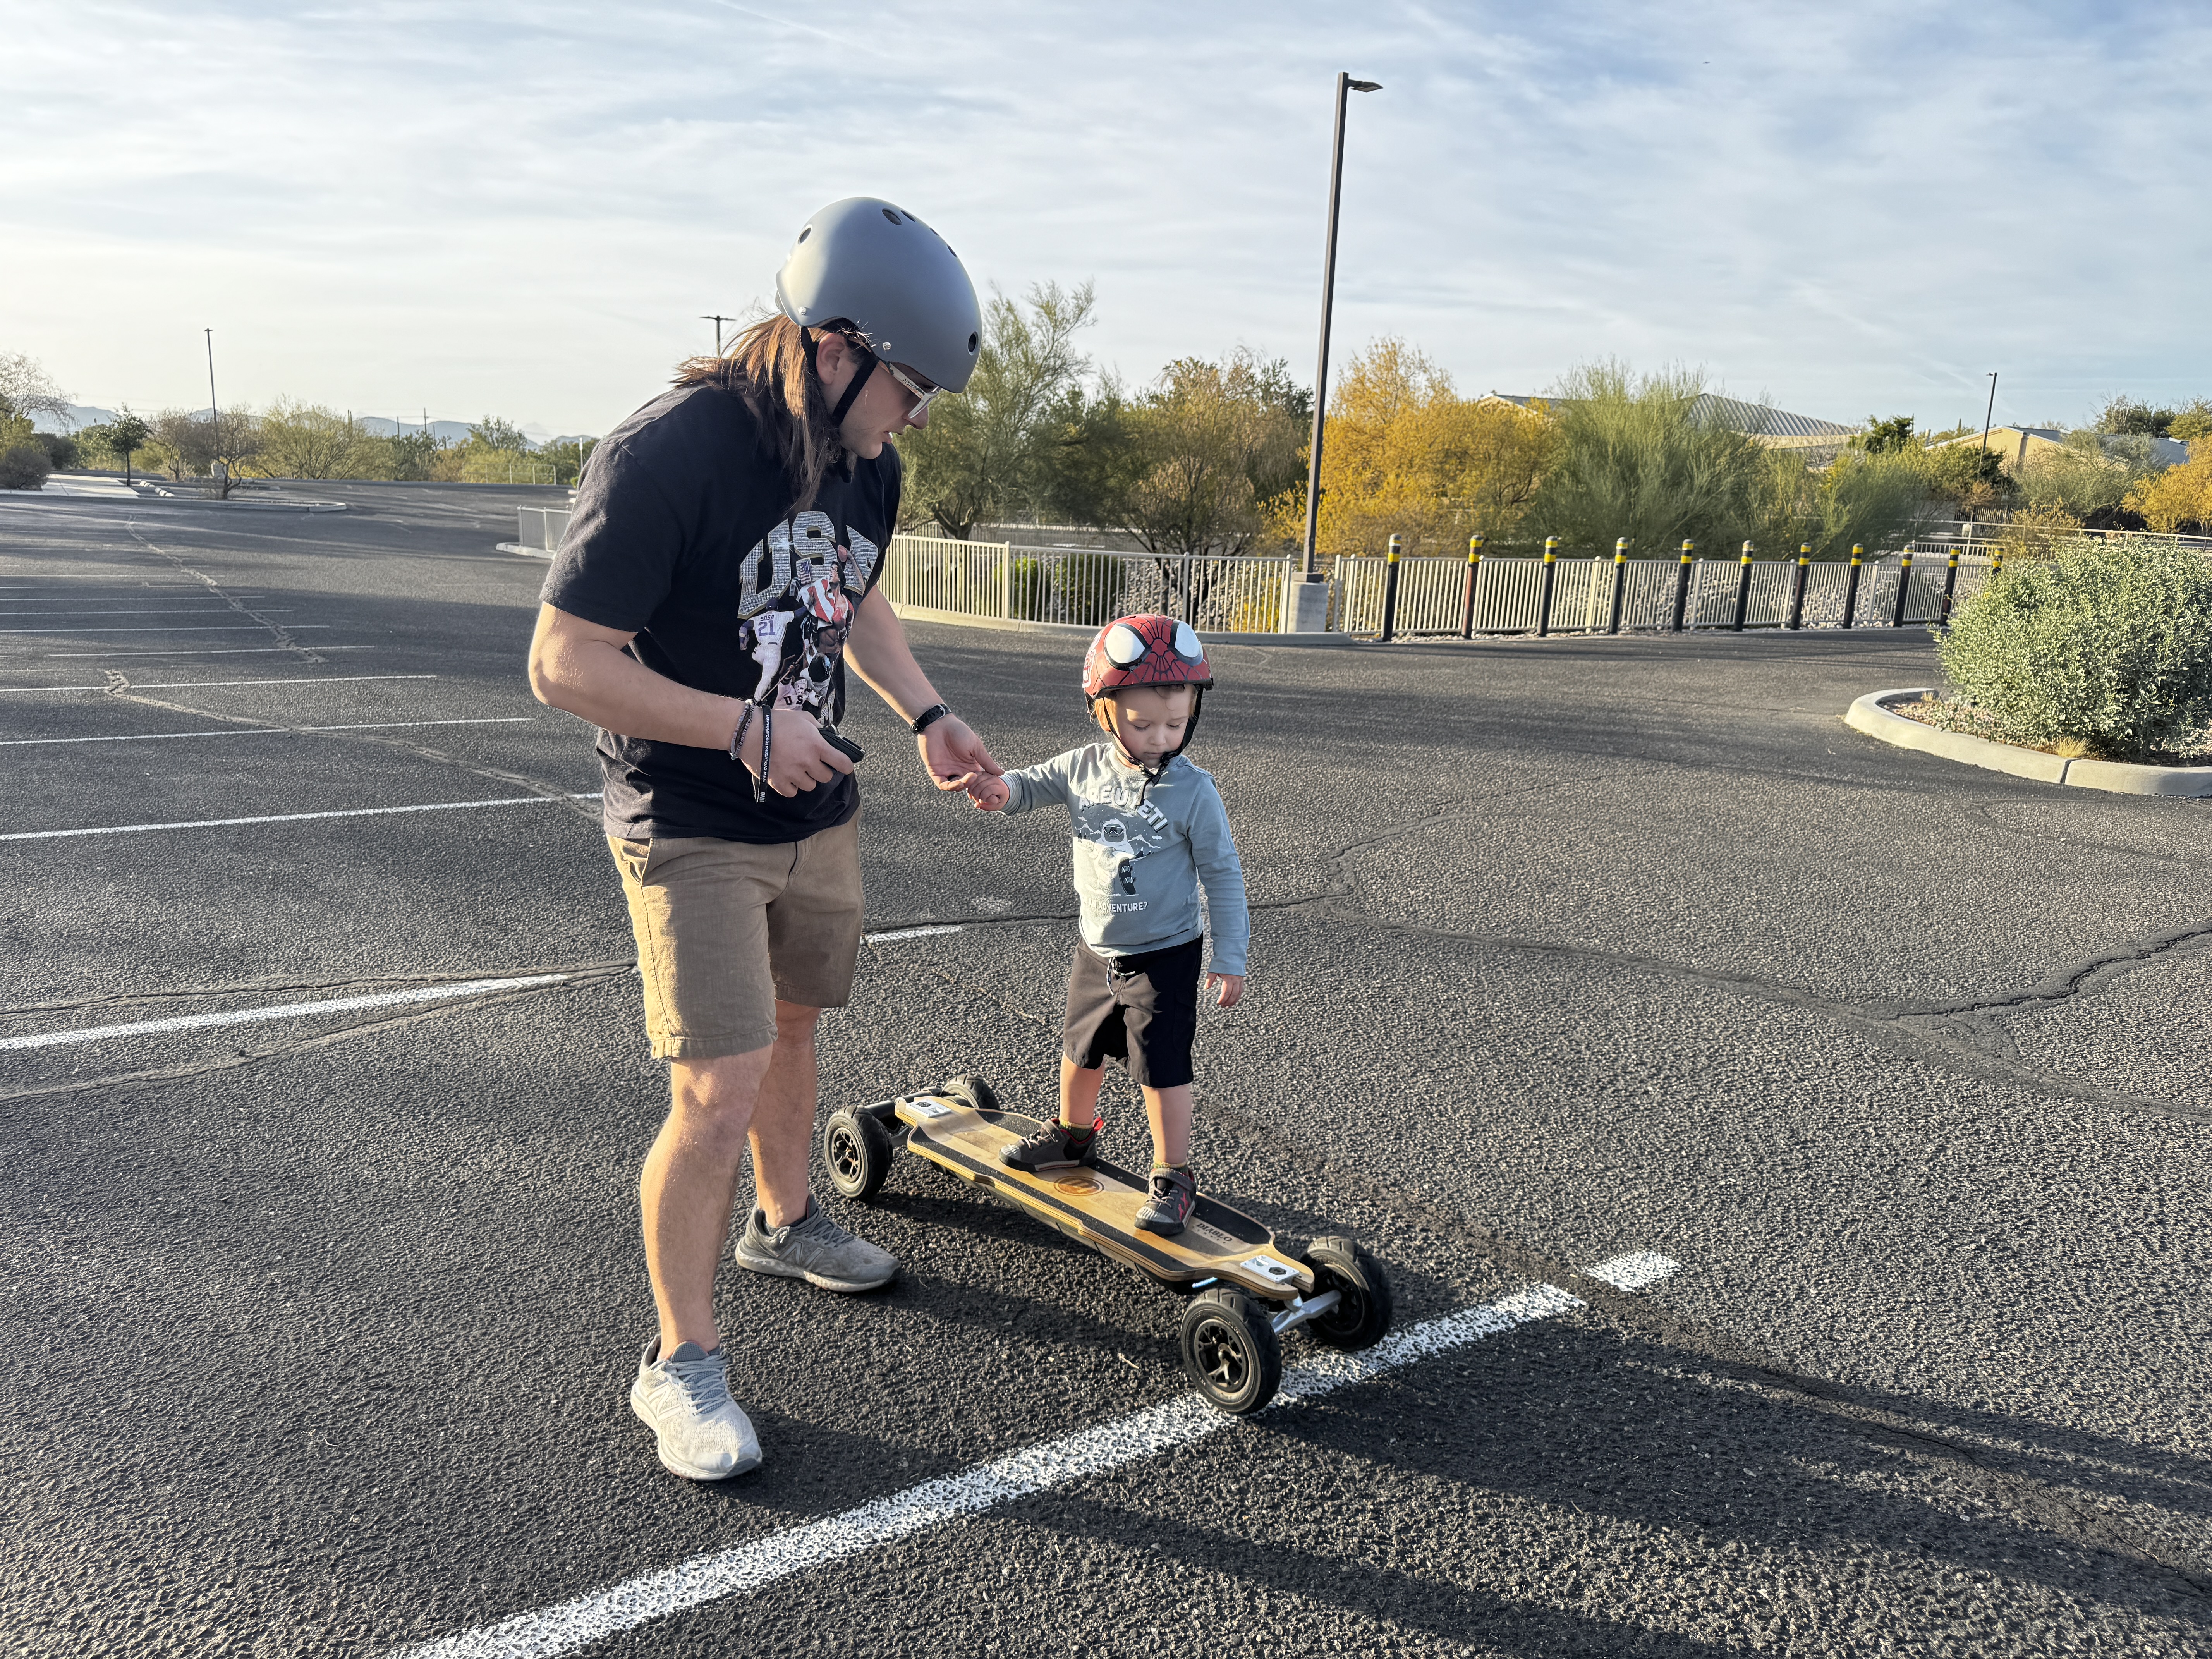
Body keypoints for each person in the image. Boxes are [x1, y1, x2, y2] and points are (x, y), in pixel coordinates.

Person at [526, 197, 1001, 1482]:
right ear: (836, 345)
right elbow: (563, 662)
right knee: (713, 1085)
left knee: (795, 1024)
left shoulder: (868, 465)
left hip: (816, 803)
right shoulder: (670, 452)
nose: (914, 418)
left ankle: (786, 1224)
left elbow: (855, 594)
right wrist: (742, 730)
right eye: (907, 388)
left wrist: (933, 714)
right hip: (690, 817)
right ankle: (678, 1364)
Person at [963, 614, 1247, 1235]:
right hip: (1097, 949)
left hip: (1166, 954)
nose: (1160, 738)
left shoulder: (1195, 792)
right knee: (1080, 1050)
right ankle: (1072, 1136)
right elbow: (1031, 784)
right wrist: (999, 791)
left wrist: (1231, 955)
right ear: (1104, 712)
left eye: (1176, 725)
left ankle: (1173, 1175)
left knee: (1162, 1069)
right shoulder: (1083, 767)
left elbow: (1223, 874)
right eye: (1143, 724)